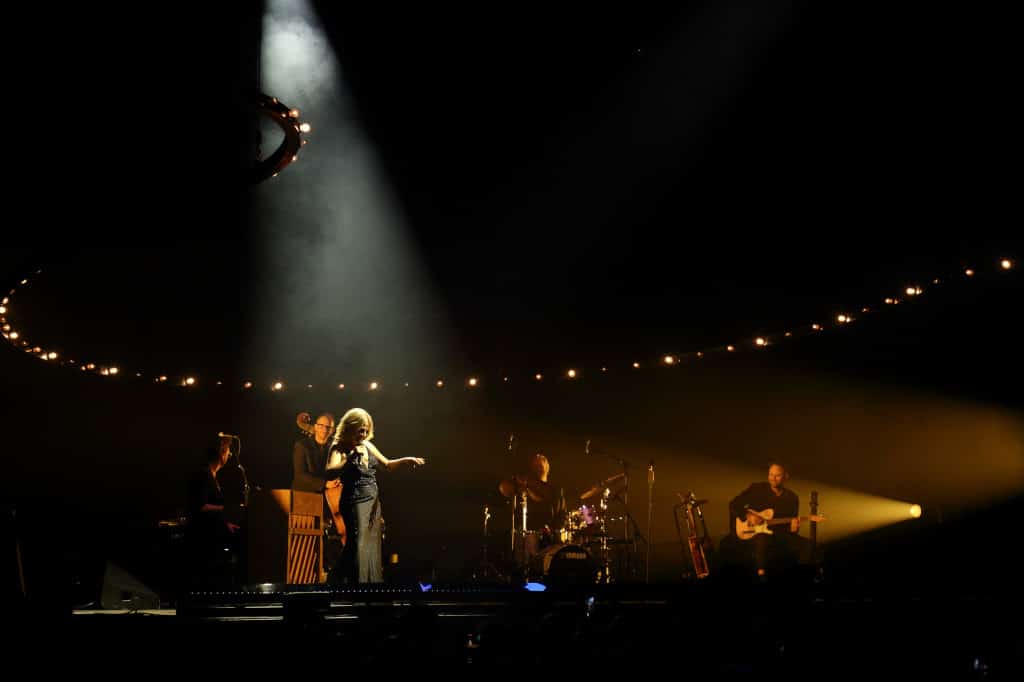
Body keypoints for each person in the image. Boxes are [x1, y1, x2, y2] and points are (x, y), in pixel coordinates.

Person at [325, 408, 425, 584]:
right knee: (356, 544)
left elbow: (387, 464)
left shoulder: (368, 445)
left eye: (366, 431)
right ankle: (338, 579)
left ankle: (367, 585)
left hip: (372, 502)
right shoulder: (339, 447)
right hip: (353, 501)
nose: (363, 434)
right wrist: (349, 458)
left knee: (370, 546)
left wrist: (405, 460)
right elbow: (330, 472)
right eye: (360, 430)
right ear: (350, 427)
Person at [724, 462, 814, 579]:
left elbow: (790, 526)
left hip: (778, 534)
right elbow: (734, 504)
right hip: (754, 532)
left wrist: (794, 529)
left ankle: (802, 577)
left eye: (777, 475)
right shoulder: (757, 489)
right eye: (771, 474)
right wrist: (748, 516)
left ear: (786, 476)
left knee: (808, 545)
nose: (773, 478)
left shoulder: (792, 498)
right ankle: (761, 576)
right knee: (763, 539)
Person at [185, 435, 241, 586]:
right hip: (203, 538)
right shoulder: (204, 474)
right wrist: (224, 508)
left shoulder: (212, 475)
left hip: (212, 534)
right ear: (221, 453)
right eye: (228, 451)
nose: (230, 454)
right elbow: (200, 506)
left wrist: (226, 524)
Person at [292, 412, 335, 493]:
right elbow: (300, 475)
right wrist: (325, 483)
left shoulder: (334, 447)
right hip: (304, 493)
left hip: (327, 493)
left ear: (332, 430)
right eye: (321, 425)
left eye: (328, 427)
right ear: (315, 427)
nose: (325, 429)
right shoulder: (302, 446)